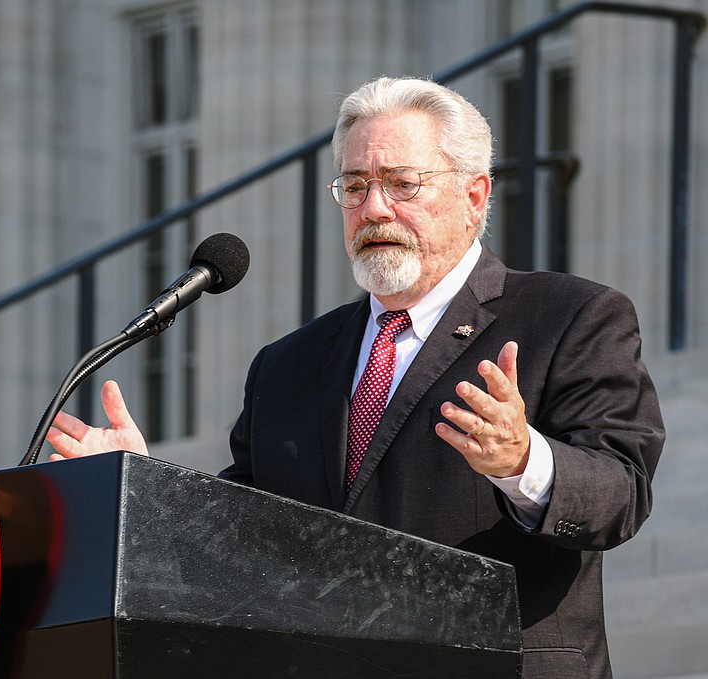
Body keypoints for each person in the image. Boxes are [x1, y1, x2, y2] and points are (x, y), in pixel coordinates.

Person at [47, 76, 665, 679]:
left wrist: (523, 459)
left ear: (474, 197)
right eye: (354, 186)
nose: (373, 208)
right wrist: (145, 490)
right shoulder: (287, 365)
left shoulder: (570, 318)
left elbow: (620, 494)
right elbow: (237, 536)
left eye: (402, 184)